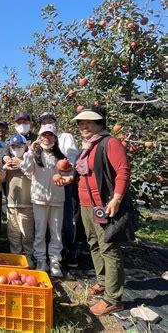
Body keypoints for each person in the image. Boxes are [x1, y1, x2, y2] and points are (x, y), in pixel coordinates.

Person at [65, 107, 129, 316]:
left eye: (88, 123)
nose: (84, 126)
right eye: (81, 123)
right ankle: (103, 282)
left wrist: (117, 198)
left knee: (109, 247)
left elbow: (122, 171)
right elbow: (84, 174)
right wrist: (69, 179)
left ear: (100, 123)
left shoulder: (110, 143)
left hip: (103, 204)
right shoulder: (87, 147)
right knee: (94, 244)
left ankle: (113, 298)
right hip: (86, 205)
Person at [20, 124, 66, 277]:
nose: (47, 138)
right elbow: (25, 169)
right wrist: (29, 151)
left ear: (55, 138)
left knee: (56, 232)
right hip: (39, 199)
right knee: (40, 232)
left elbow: (68, 173)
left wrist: (66, 176)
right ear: (39, 138)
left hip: (57, 198)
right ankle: (41, 260)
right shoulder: (34, 155)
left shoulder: (60, 156)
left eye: (50, 135)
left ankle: (54, 262)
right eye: (44, 135)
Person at [38, 112, 79, 268]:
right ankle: (48, 255)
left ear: (55, 123)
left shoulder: (65, 137)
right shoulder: (40, 140)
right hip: (43, 187)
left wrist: (67, 172)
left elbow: (72, 156)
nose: (47, 123)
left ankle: (68, 251)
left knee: (66, 220)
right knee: (46, 223)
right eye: (44, 121)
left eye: (50, 120)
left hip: (64, 183)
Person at [2, 134, 35, 268]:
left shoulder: (30, 161)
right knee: (13, 231)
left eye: (19, 146)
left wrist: (22, 166)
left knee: (27, 232)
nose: (17, 149)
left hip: (27, 202)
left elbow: (36, 177)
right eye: (14, 146)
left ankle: (28, 255)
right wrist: (4, 168)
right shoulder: (8, 161)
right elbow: (1, 180)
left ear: (25, 147)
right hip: (11, 202)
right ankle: (15, 255)